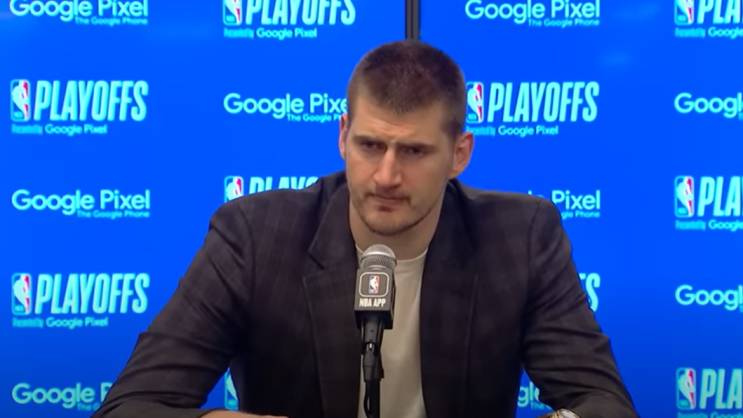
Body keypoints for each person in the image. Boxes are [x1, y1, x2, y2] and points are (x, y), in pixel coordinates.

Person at [93, 40, 637, 418]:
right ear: (342, 137)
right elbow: (131, 407)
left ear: (459, 154)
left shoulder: (521, 237)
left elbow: (603, 403)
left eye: (415, 152)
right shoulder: (255, 237)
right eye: (370, 145)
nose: (386, 176)